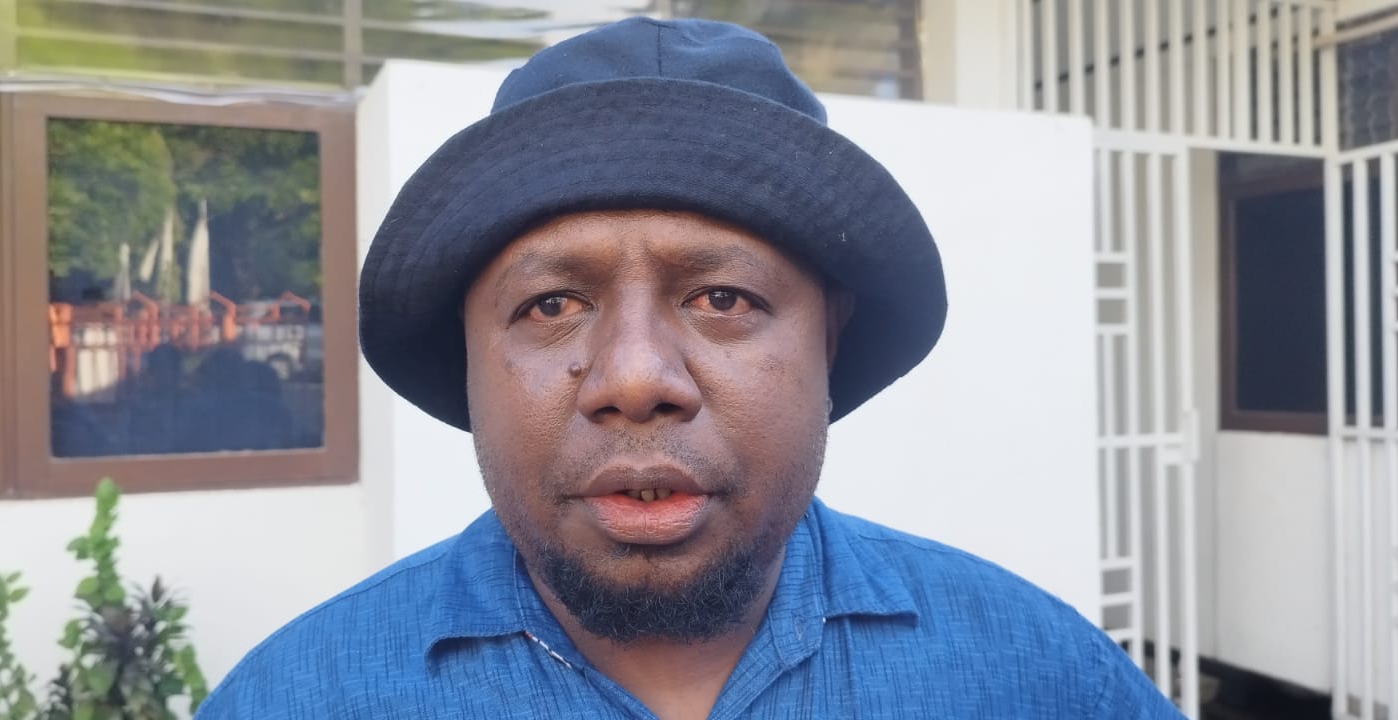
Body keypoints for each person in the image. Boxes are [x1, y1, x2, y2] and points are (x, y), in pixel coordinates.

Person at [197, 17, 1183, 719]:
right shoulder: (291, 700)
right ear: (469, 357)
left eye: (722, 298)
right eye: (552, 304)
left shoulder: (1042, 679)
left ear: (829, 341)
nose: (635, 379)